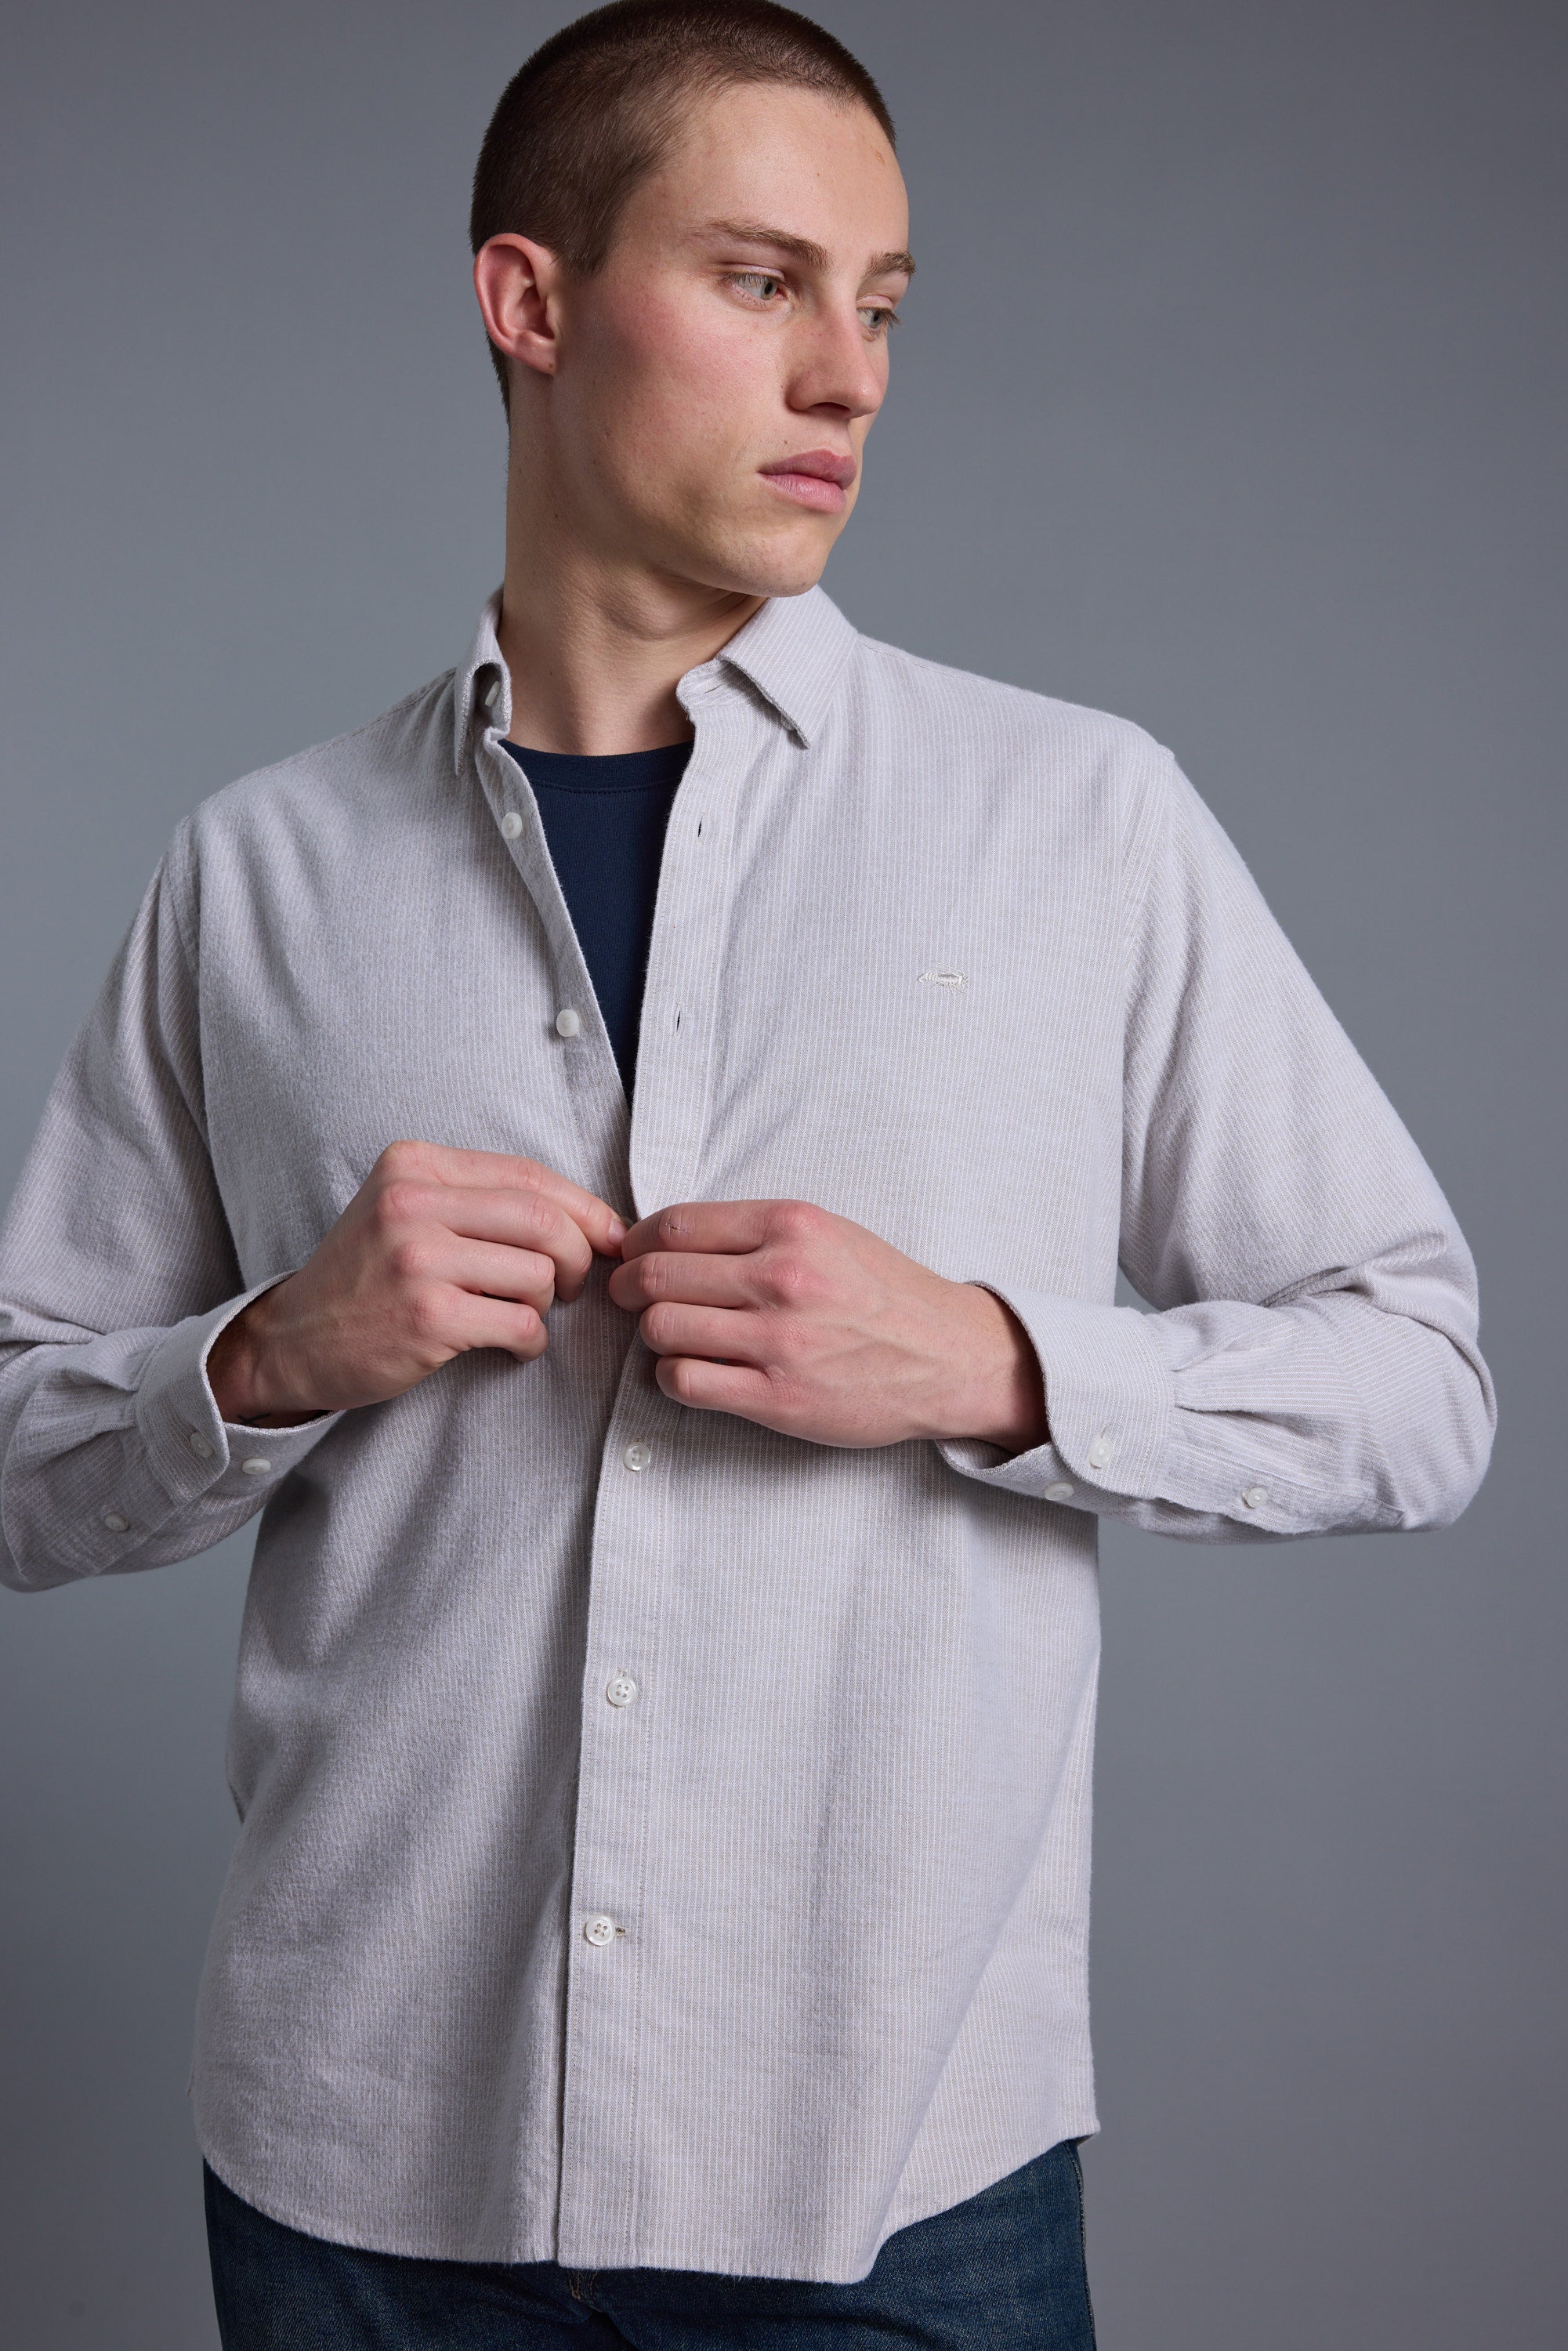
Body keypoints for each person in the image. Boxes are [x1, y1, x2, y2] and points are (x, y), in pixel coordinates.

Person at [0, 2, 1495, 2342]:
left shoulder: (1077, 822)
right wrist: (270, 1353)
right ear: (531, 302)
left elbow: (1419, 1382)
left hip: (888, 2177)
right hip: (359, 2177)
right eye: (763, 280)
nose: (849, 378)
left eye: (881, 304)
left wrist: (992, 1364)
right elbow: (13, 1463)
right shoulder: (258, 872)